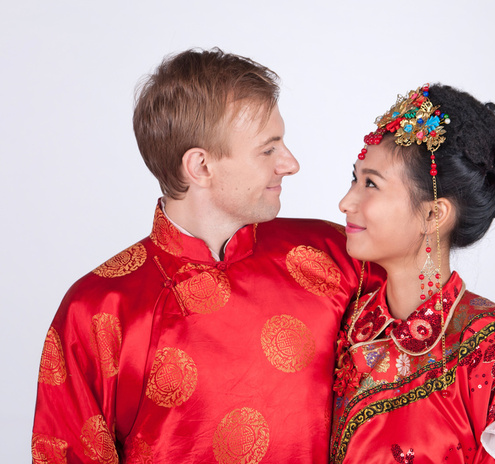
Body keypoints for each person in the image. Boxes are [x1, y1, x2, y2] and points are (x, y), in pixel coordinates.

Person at [31, 48, 380, 463]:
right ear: (200, 166)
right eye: (268, 149)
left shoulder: (335, 255)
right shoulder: (97, 310)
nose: (290, 163)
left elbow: (427, 364)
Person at [331, 84, 495, 463]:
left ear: (434, 214)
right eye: (354, 178)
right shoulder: (346, 321)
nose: (346, 202)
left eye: (371, 183)